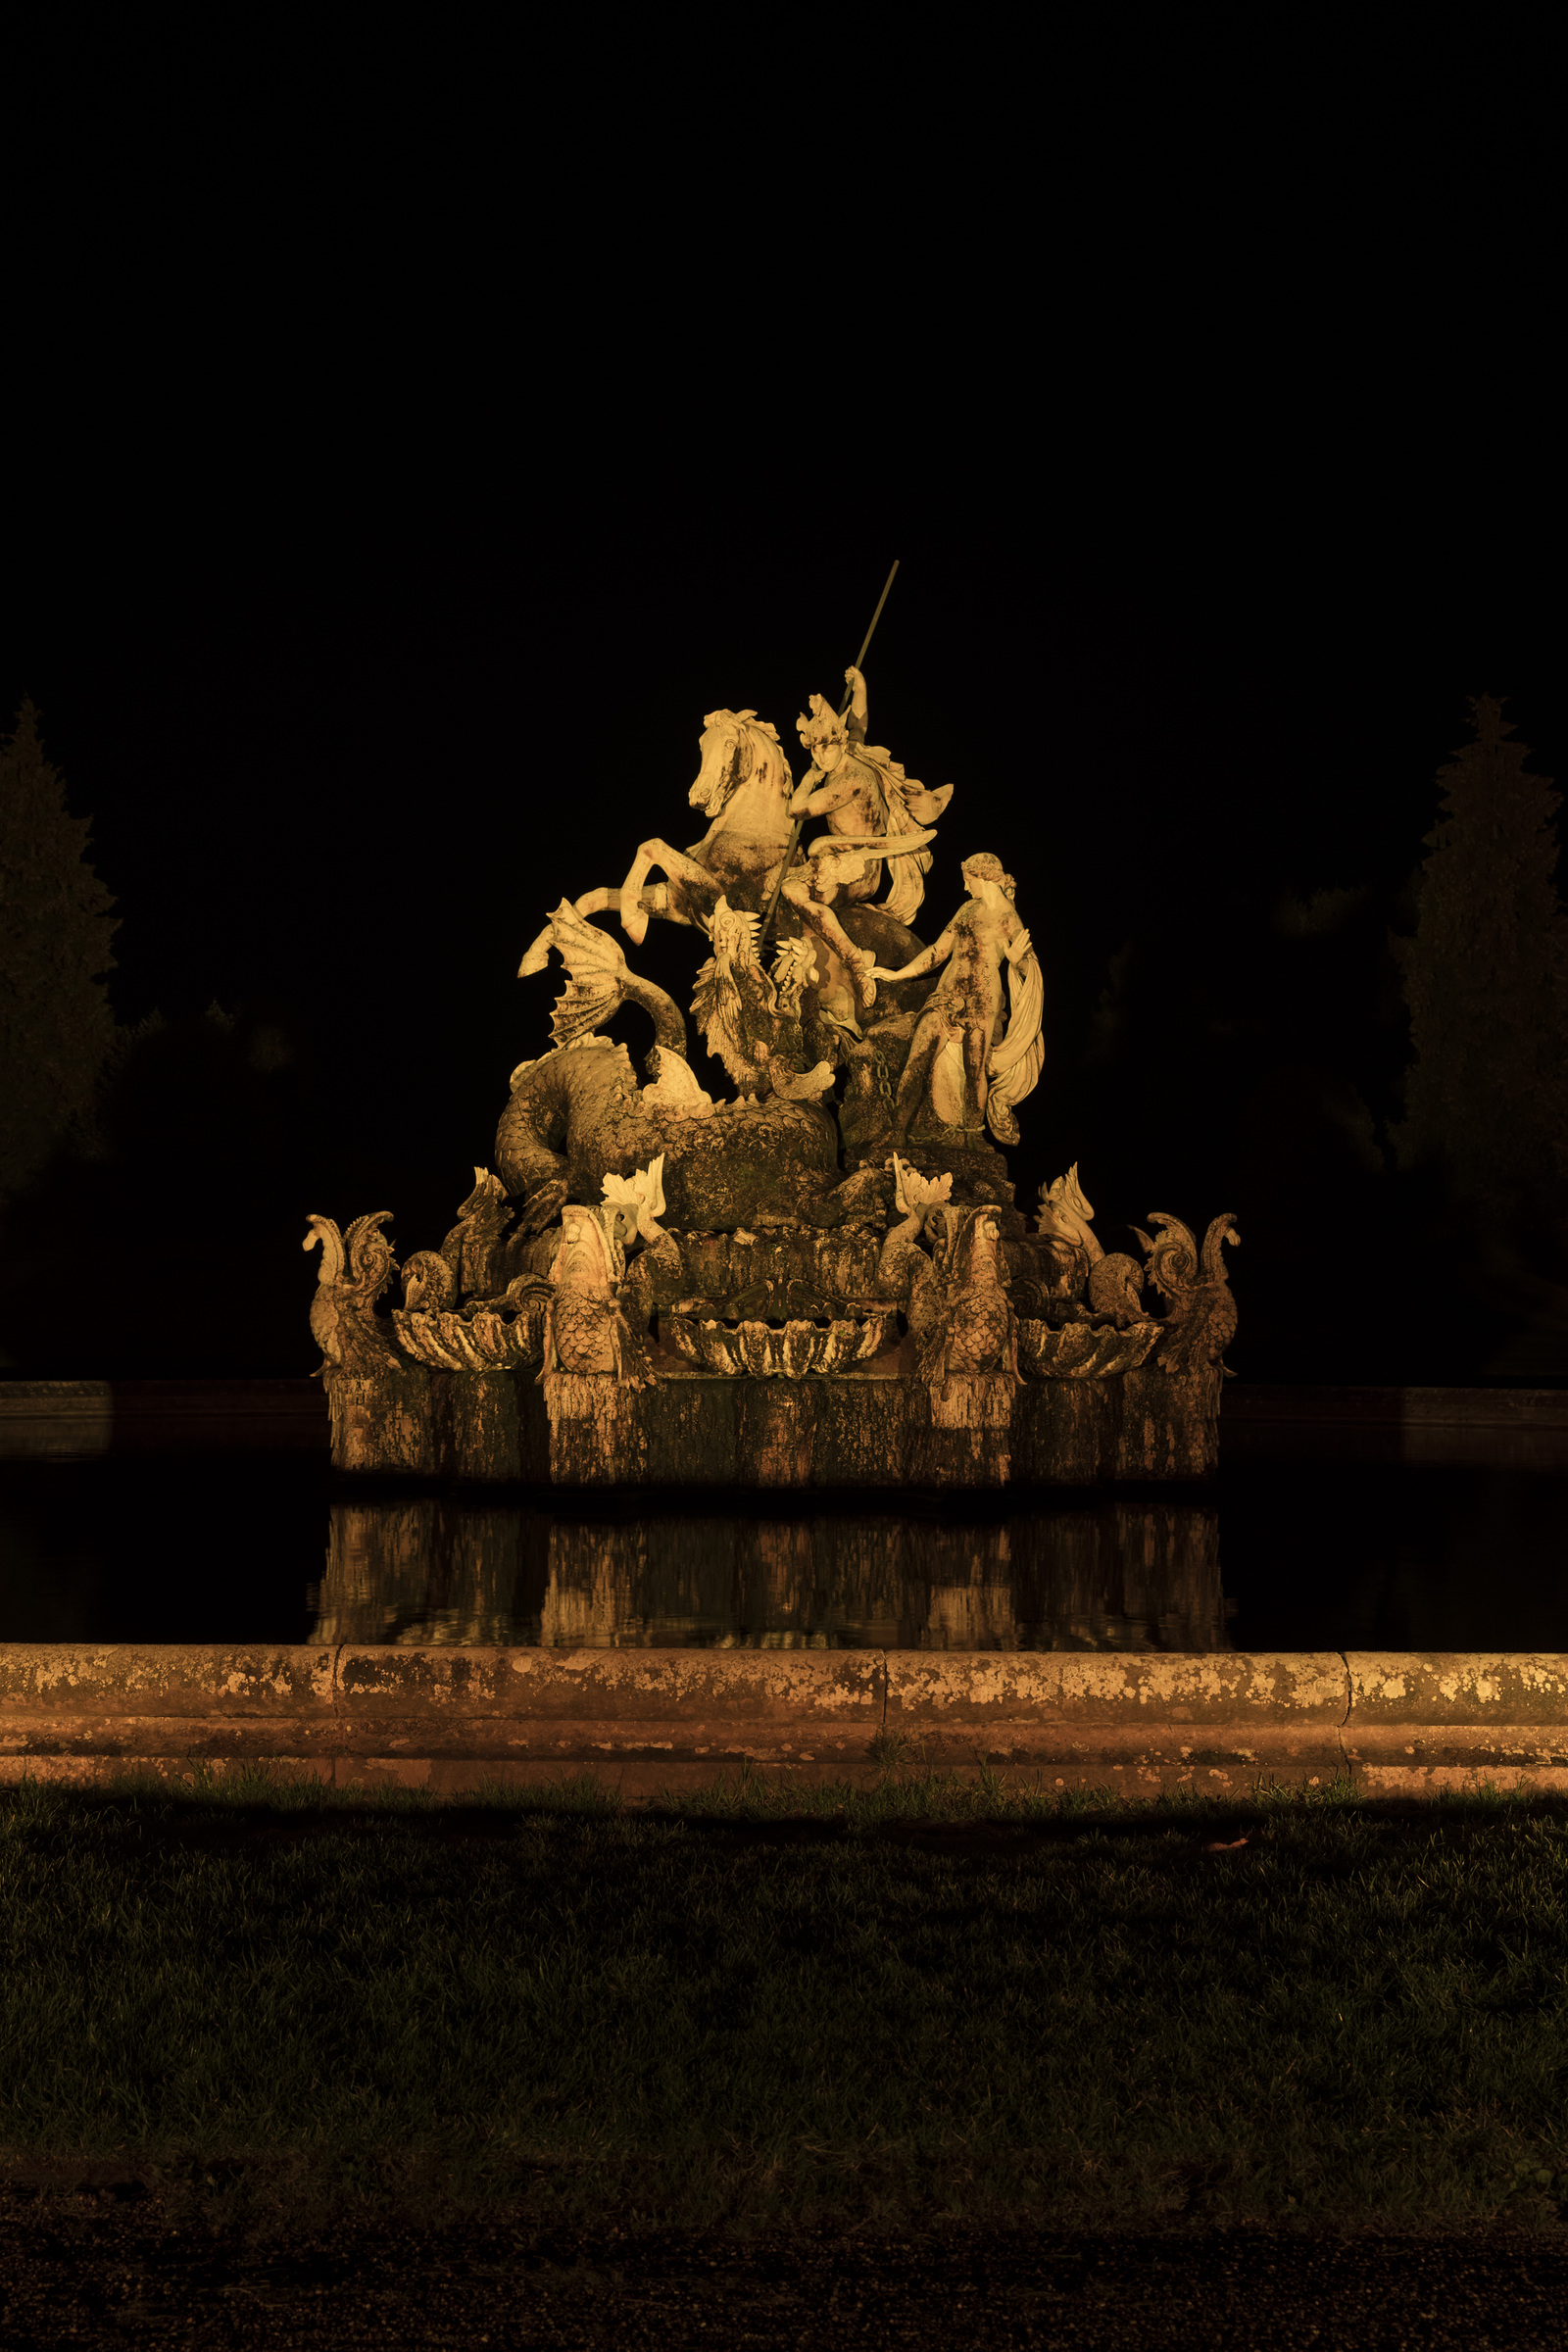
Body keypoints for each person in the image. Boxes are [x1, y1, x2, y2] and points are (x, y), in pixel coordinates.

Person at [867, 854, 1038, 1144]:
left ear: (983, 877)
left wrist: (1016, 960)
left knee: (975, 1070)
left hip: (982, 999)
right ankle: (897, 1131)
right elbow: (938, 951)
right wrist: (896, 975)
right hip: (947, 993)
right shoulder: (967, 909)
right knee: (917, 1059)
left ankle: (972, 1138)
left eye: (968, 880)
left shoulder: (1008, 917)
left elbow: (1030, 966)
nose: (965, 887)